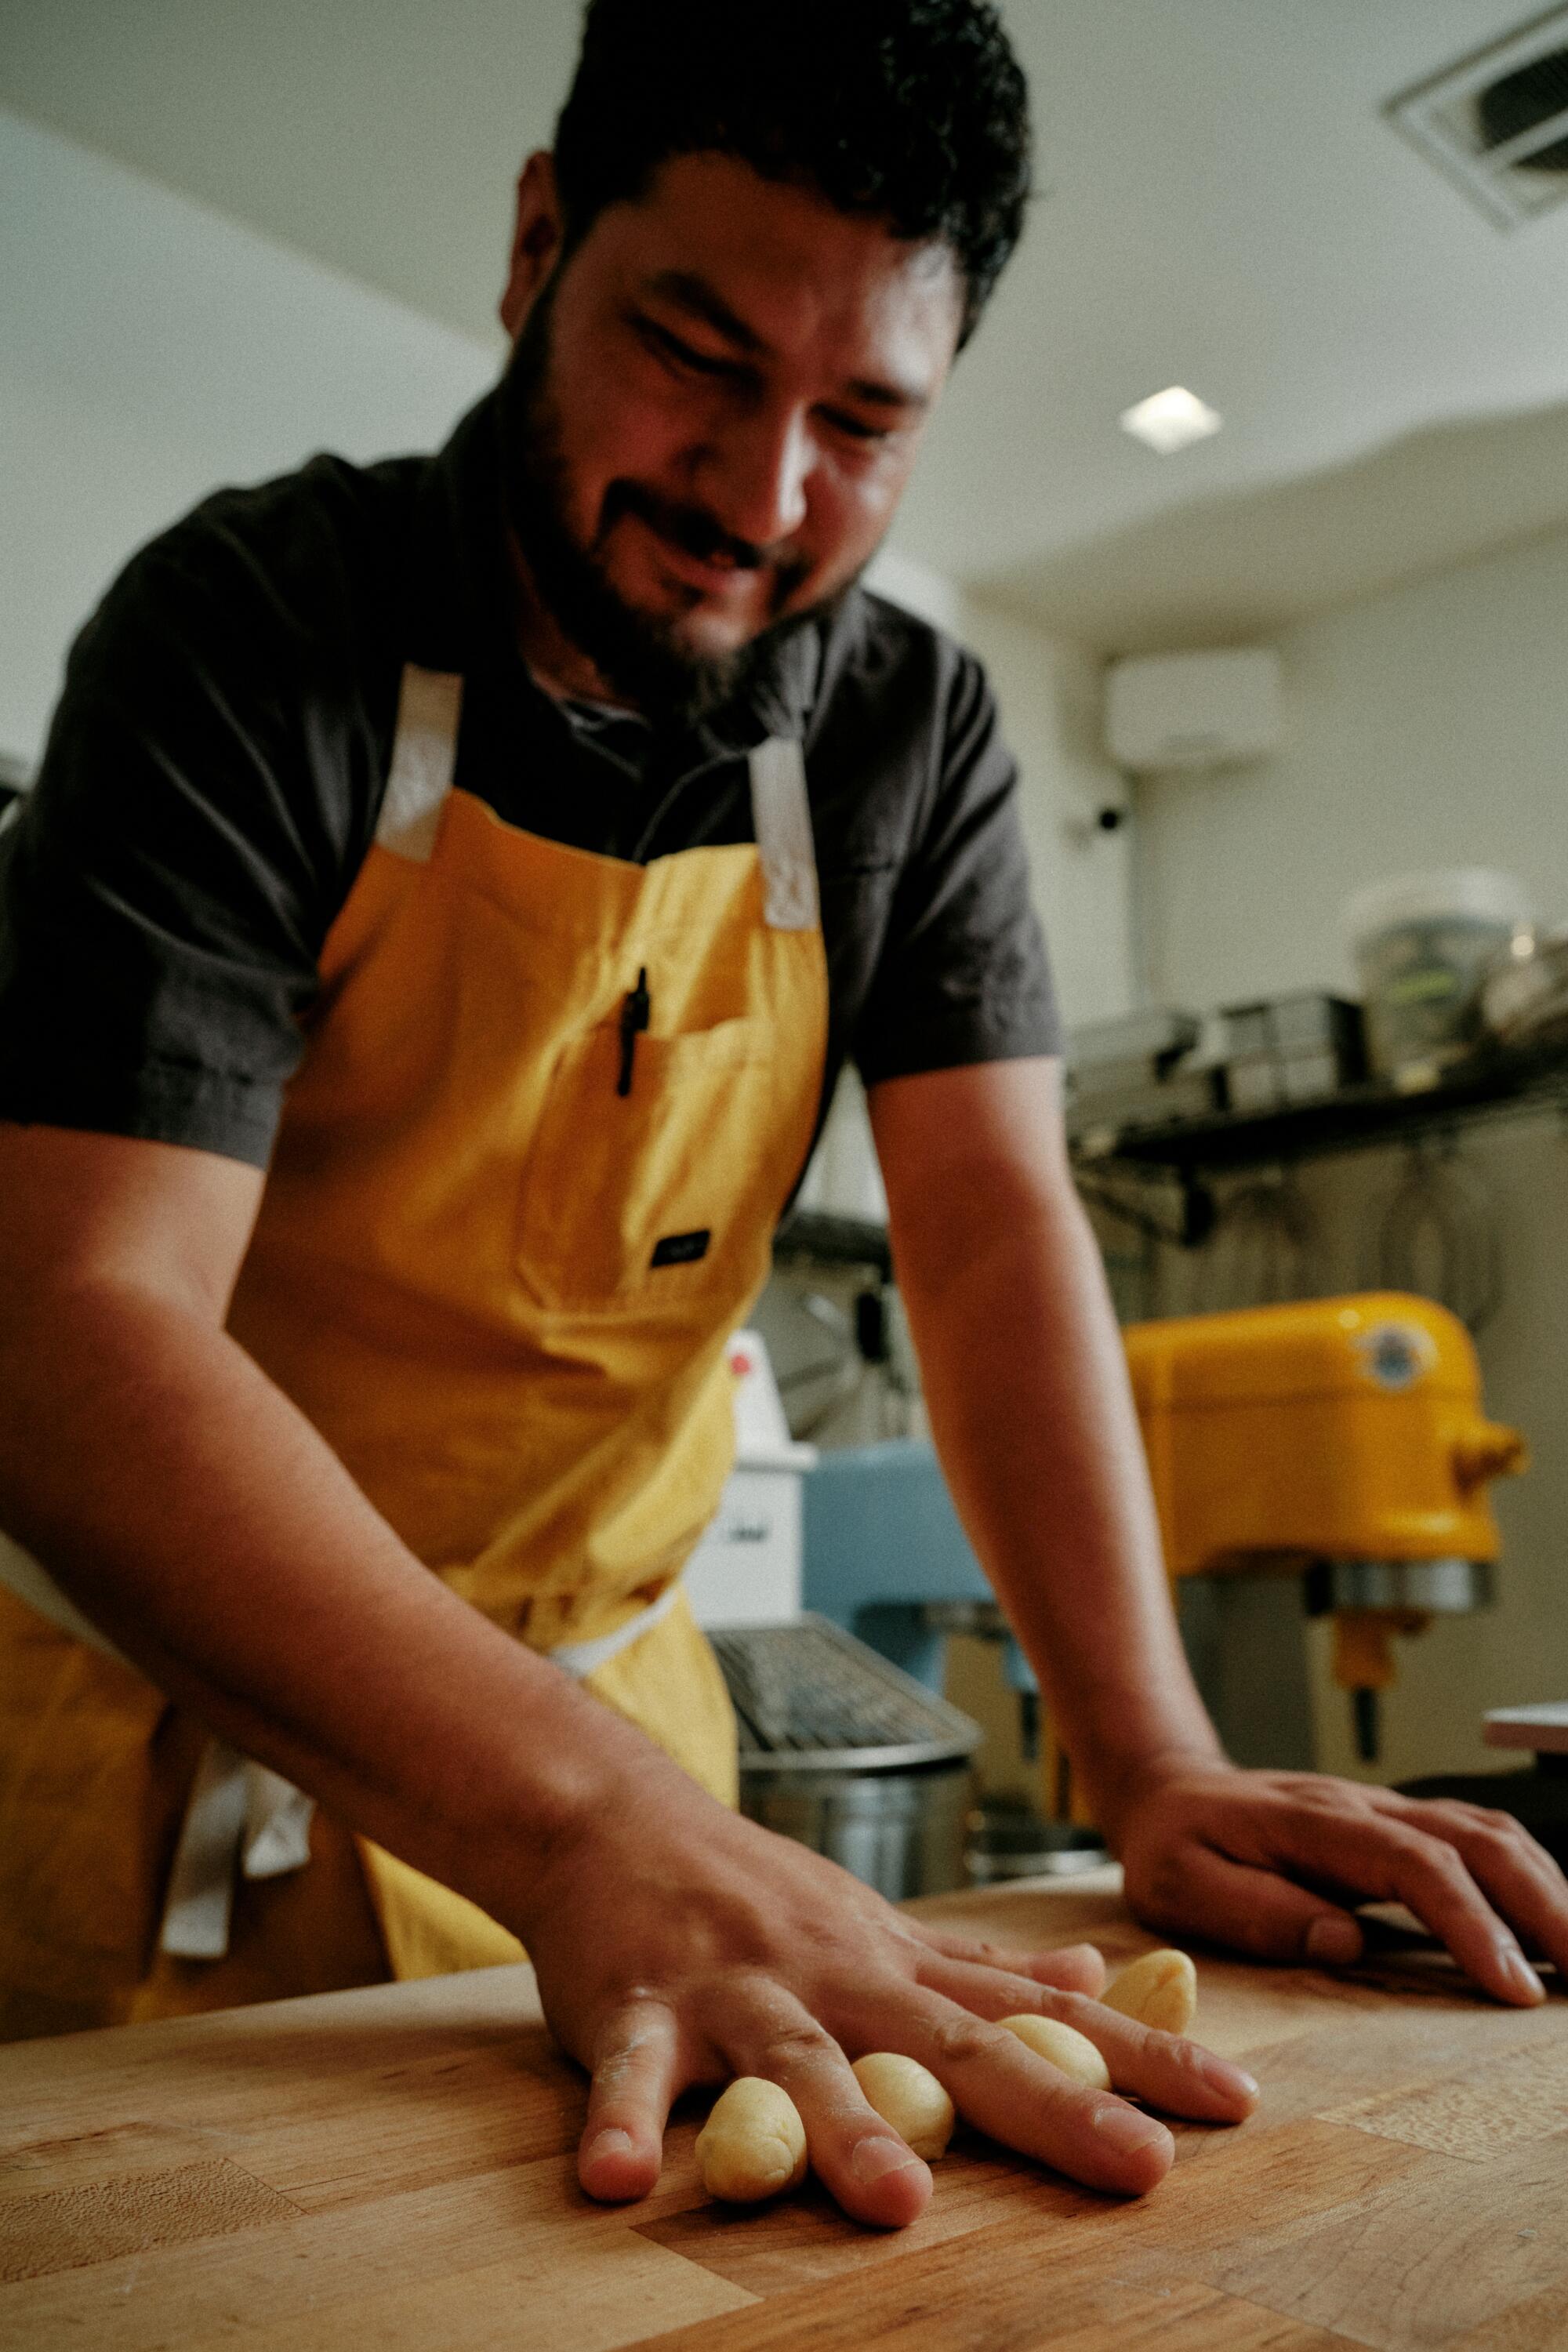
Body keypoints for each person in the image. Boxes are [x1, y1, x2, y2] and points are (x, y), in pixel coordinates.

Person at [0, 0, 1563, 2234]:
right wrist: (578, 1822)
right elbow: (79, 1322)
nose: (762, 497)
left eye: (863, 418)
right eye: (700, 357)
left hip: (625, 1746)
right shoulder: (258, 636)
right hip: (159, 1752)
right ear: (541, 243)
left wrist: (1151, 1757)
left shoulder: (907, 735)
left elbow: (997, 1224)